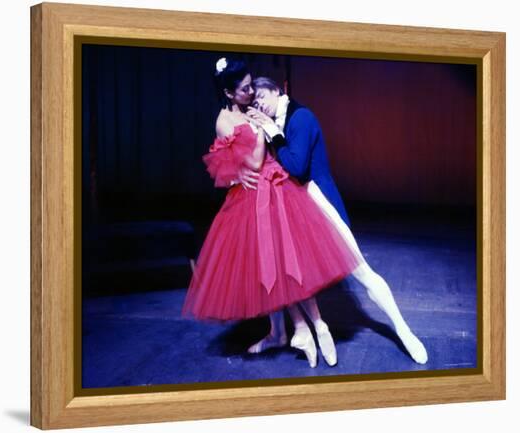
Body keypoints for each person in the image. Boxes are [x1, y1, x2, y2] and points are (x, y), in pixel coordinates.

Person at [182, 58, 362, 368]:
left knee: (293, 262)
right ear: (228, 93)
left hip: (278, 186)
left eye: (252, 85)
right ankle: (298, 330)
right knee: (272, 266)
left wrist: (266, 125)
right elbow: (250, 163)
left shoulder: (254, 107)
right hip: (251, 196)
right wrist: (259, 128)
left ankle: (315, 327)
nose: (251, 92)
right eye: (244, 89)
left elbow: (277, 145)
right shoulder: (225, 120)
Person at [243, 76, 428, 365]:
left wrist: (271, 132)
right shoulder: (273, 121)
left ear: (276, 90)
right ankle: (283, 331)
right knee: (281, 269)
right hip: (299, 209)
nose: (259, 105)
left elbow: (296, 167)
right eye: (254, 103)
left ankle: (403, 330)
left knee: (361, 271)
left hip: (322, 204)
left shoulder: (300, 117)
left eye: (261, 99)